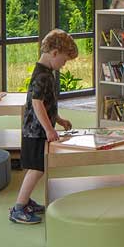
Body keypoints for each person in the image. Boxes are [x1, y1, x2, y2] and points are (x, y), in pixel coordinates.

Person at [9, 29, 78, 225]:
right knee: (36, 169)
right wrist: (49, 129)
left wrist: (59, 120)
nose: (63, 66)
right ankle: (19, 208)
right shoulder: (43, 76)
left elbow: (47, 105)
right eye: (64, 61)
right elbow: (37, 103)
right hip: (35, 131)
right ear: (54, 53)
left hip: (37, 129)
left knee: (37, 168)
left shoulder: (46, 73)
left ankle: (26, 201)